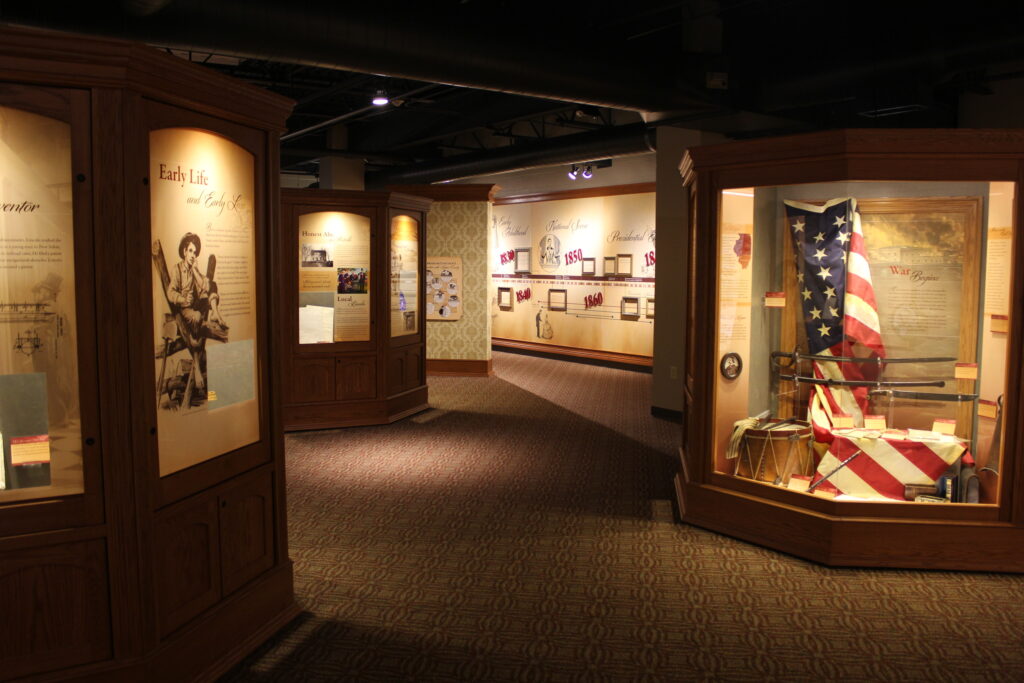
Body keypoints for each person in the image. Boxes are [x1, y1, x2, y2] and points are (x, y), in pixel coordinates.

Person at [168, 232, 227, 345]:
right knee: (197, 317)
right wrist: (183, 299)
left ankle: (215, 313)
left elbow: (207, 286)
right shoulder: (177, 269)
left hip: (195, 305)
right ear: (184, 251)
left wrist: (195, 271)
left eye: (195, 252)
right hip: (184, 309)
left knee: (212, 284)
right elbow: (170, 292)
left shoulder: (193, 268)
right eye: (190, 251)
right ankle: (194, 337)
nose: (193, 255)